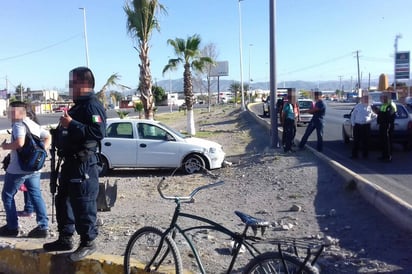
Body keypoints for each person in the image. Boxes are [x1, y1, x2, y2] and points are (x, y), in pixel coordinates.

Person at [43, 67, 107, 262]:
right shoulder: (78, 106)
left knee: (83, 203)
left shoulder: (92, 106)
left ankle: (88, 242)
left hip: (83, 164)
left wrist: (71, 124)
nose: (69, 87)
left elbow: (98, 132)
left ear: (84, 84)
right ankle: (65, 237)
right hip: (69, 163)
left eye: (72, 83)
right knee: (63, 200)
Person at [0, 101, 51, 238]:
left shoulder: (18, 124)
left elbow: (20, 143)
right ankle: (43, 226)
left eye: (11, 110)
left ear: (20, 111)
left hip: (18, 169)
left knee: (7, 195)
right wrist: (42, 151)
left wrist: (5, 146)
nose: (9, 113)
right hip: (34, 168)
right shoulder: (34, 124)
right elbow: (47, 136)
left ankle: (12, 226)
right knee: (36, 195)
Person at [376, 92, 397, 162]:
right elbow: (382, 114)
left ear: (387, 98)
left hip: (387, 125)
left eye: (383, 97)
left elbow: (389, 115)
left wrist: (380, 113)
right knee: (383, 141)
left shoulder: (391, 105)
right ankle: (384, 155)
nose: (382, 99)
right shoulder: (384, 105)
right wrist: (378, 112)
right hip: (382, 125)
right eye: (382, 97)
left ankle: (388, 157)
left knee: (387, 142)